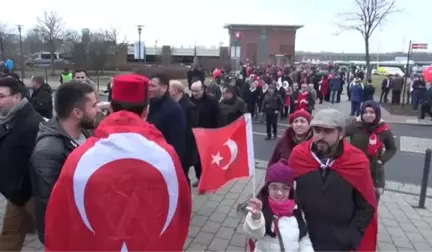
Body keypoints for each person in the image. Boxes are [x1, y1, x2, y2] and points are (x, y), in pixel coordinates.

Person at [43, 74, 191, 252]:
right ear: (145, 112)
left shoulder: (79, 157)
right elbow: (181, 208)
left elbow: (59, 217)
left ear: (111, 108)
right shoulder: (167, 156)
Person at [288, 108, 377, 252]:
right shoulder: (299, 155)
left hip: (339, 242)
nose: (320, 136)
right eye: (317, 130)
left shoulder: (357, 160)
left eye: (327, 131)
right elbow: (287, 193)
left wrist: (352, 236)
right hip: (303, 236)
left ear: (341, 134)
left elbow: (366, 205)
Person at [30, 81, 100, 244]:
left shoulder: (86, 134)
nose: (98, 109)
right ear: (77, 112)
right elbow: (48, 202)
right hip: (67, 235)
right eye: (94, 105)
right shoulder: (48, 152)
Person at [0, 77, 43, 252]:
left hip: (32, 195)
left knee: (53, 233)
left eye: (1, 96)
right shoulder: (8, 120)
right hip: (16, 194)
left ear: (17, 97)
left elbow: (39, 163)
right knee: (10, 235)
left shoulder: (33, 123)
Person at [243, 160, 314, 252]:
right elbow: (253, 234)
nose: (279, 193)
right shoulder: (260, 208)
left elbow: (304, 239)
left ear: (290, 190)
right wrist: (256, 217)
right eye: (274, 187)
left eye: (285, 188)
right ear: (267, 188)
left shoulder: (296, 209)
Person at [345, 101, 397, 201]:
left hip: (374, 173)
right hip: (355, 169)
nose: (368, 115)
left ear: (377, 113)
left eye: (372, 112)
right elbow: (338, 136)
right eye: (365, 112)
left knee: (370, 204)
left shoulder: (383, 129)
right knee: (351, 201)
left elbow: (392, 148)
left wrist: (381, 160)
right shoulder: (355, 125)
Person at [147, 73, 186, 160]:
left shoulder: (174, 109)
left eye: (153, 86)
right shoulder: (149, 105)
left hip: (163, 159)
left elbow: (176, 141)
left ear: (164, 88)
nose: (149, 89)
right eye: (148, 85)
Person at [190, 80, 220, 186]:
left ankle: (210, 177)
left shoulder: (211, 101)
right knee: (196, 159)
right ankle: (200, 178)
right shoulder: (190, 101)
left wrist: (216, 134)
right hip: (195, 135)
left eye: (197, 91)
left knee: (208, 158)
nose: (195, 93)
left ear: (202, 90)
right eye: (192, 91)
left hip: (209, 133)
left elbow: (217, 118)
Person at [169, 80, 199, 186]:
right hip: (175, 149)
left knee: (183, 178)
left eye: (169, 88)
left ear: (175, 91)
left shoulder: (189, 107)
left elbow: (190, 131)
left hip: (185, 151)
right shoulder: (172, 104)